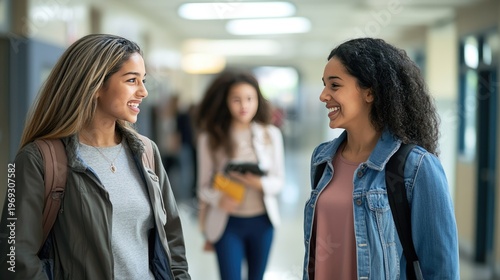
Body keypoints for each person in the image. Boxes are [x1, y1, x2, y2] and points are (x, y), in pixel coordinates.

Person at [0, 34, 190, 279]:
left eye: (143, 80)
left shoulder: (146, 152)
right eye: (132, 80)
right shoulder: (36, 159)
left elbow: (171, 239)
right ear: (96, 85)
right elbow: (14, 255)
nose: (143, 91)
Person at [303, 38, 459, 279]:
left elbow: (441, 270)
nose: (323, 95)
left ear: (370, 92)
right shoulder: (323, 160)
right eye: (324, 85)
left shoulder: (416, 167)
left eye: (334, 85)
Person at [194, 70, 285, 280]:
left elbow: (279, 181)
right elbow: (203, 187)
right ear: (226, 102)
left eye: (249, 99)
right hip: (227, 224)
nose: (244, 106)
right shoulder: (210, 138)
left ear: (258, 101)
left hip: (263, 223)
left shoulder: (271, 134)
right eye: (236, 100)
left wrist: (257, 182)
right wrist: (219, 198)